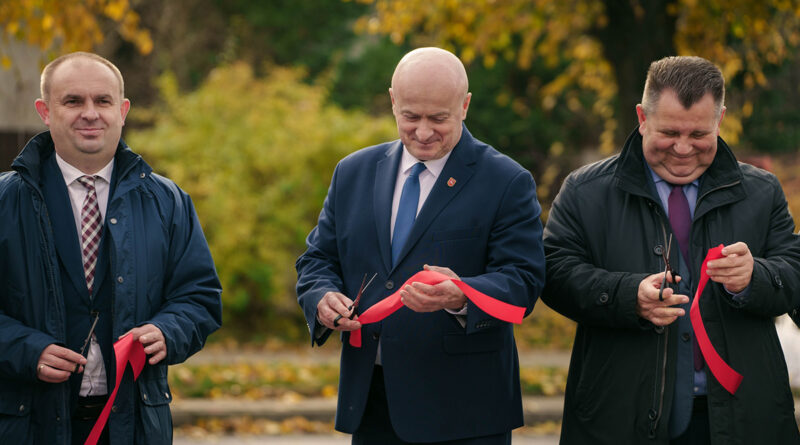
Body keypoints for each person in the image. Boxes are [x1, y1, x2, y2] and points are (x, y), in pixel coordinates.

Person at [542, 55, 800, 444]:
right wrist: (627, 296)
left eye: (699, 135)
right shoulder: (584, 191)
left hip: (744, 419)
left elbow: (794, 275)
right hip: (619, 417)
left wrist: (755, 278)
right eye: (669, 132)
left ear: (721, 119)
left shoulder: (762, 192)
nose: (682, 149)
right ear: (642, 118)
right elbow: (553, 274)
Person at [296, 47, 545, 444]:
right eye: (410, 116)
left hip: (465, 412)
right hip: (373, 404)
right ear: (393, 101)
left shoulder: (507, 181)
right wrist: (322, 296)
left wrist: (462, 295)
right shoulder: (353, 172)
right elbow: (318, 259)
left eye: (439, 118)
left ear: (464, 106)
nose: (424, 132)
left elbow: (525, 281)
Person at [0, 52, 223, 444]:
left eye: (102, 101)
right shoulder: (5, 201)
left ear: (122, 111)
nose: (90, 113)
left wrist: (167, 330)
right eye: (73, 101)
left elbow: (200, 298)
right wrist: (25, 349)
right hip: (27, 423)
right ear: (45, 111)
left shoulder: (168, 202)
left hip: (135, 425)